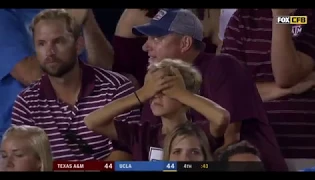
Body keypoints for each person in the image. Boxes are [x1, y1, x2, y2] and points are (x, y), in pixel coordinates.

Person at [132, 8, 286, 171]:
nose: (145, 47)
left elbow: (231, 138)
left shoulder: (221, 67)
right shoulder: (158, 82)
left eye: (157, 38)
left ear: (185, 43)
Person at [10, 9, 140, 161]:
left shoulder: (116, 88)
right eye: (41, 44)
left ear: (78, 45)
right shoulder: (26, 103)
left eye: (58, 41)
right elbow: (28, 163)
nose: (49, 52)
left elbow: (125, 154)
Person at [221, 8, 315, 170]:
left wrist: (280, 17)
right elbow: (230, 93)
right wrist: (286, 90)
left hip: (311, 151)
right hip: (257, 153)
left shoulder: (314, 17)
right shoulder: (244, 18)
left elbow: (286, 75)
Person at [0, 8, 113, 142]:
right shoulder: (6, 15)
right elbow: (31, 74)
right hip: (29, 132)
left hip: (85, 119)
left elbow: (105, 68)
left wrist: (88, 19)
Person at [84, 58, 230, 161]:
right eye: (151, 88)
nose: (155, 95)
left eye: (163, 88)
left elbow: (221, 118)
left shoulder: (201, 132)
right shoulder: (142, 134)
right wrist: (141, 94)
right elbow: (92, 121)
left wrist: (182, 94)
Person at [112, 8, 221, 87]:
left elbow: (219, 49)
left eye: (156, 37)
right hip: (154, 88)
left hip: (201, 84)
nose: (145, 46)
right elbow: (120, 69)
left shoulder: (210, 13)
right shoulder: (135, 14)